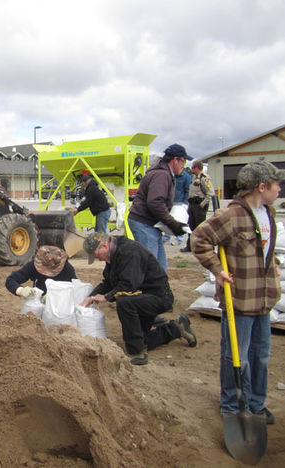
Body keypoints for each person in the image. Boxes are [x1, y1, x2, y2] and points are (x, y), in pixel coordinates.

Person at [191, 161, 283, 424]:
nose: (279, 189)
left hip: (265, 298)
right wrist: (218, 270)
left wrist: (273, 264)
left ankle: (256, 404)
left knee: (261, 355)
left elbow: (264, 249)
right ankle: (231, 405)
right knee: (236, 355)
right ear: (261, 186)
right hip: (241, 298)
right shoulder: (231, 216)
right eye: (276, 184)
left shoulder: (269, 213)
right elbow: (199, 239)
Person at [80, 233, 197, 365]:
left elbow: (129, 285)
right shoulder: (113, 255)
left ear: (104, 246)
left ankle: (137, 352)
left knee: (124, 302)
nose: (98, 259)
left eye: (96, 255)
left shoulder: (129, 253)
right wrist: (91, 296)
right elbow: (108, 282)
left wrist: (107, 297)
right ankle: (175, 328)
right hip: (141, 296)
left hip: (158, 297)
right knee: (142, 339)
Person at [127, 144, 192, 270]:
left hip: (148, 224)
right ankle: (149, 289)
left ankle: (159, 289)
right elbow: (155, 202)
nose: (183, 165)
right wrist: (172, 223)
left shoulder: (163, 173)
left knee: (159, 267)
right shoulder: (162, 175)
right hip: (144, 224)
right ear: (175, 159)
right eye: (183, 161)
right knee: (151, 268)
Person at [6, 245, 76, 298]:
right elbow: (10, 280)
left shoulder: (67, 268)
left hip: (60, 306)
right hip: (38, 303)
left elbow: (76, 288)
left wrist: (56, 295)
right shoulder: (34, 265)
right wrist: (20, 290)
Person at [180, 160, 215, 253]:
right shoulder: (193, 178)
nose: (191, 169)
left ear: (197, 168)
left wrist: (203, 204)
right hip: (192, 205)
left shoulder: (204, 178)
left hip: (199, 206)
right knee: (190, 226)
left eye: (193, 167)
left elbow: (211, 193)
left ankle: (203, 247)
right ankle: (190, 246)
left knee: (200, 227)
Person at [163, 168, 191, 245]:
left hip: (180, 202)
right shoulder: (172, 176)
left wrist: (185, 203)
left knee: (179, 221)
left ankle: (179, 239)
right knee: (168, 219)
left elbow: (187, 190)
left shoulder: (186, 177)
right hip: (171, 201)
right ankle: (166, 237)